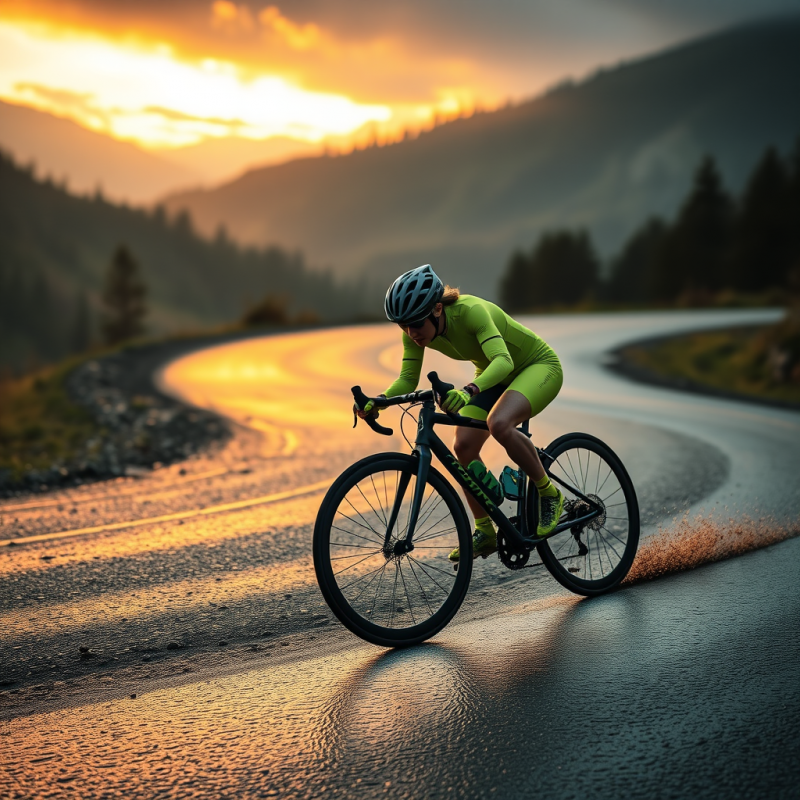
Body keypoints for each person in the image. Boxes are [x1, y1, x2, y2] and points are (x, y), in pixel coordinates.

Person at [358, 264, 564, 561]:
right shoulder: (414, 332)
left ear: (437, 309)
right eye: (403, 326)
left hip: (536, 367)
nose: (410, 332)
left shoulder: (471, 312)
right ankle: (485, 530)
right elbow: (407, 379)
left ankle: (549, 493)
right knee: (463, 445)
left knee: (499, 423)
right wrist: (378, 400)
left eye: (415, 323)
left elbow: (504, 362)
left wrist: (467, 390)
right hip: (493, 375)